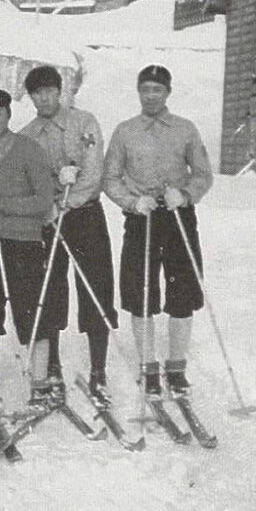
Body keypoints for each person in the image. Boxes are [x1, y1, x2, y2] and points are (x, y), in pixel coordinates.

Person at [103, 65, 213, 398]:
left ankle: (176, 367)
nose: (151, 96)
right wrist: (133, 201)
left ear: (168, 92)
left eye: (157, 89)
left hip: (178, 217)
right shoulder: (125, 131)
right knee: (140, 292)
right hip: (142, 218)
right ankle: (148, 366)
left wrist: (186, 194)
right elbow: (110, 178)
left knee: (183, 291)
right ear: (138, 91)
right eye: (146, 89)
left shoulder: (185, 129)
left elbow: (203, 174)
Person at [19, 65, 119, 406]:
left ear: (59, 92)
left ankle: (98, 370)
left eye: (50, 91)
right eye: (38, 93)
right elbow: (29, 181)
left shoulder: (83, 122)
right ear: (31, 97)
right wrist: (48, 201)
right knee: (50, 289)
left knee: (96, 286)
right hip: (48, 219)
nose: (45, 99)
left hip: (84, 215)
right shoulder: (27, 136)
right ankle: (53, 368)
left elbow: (93, 173)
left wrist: (68, 202)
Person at [0, 89, 54, 411]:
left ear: (8, 116)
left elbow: (44, 201)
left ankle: (40, 384)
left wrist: (1, 202)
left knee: (30, 312)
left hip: (24, 242)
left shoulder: (29, 149)